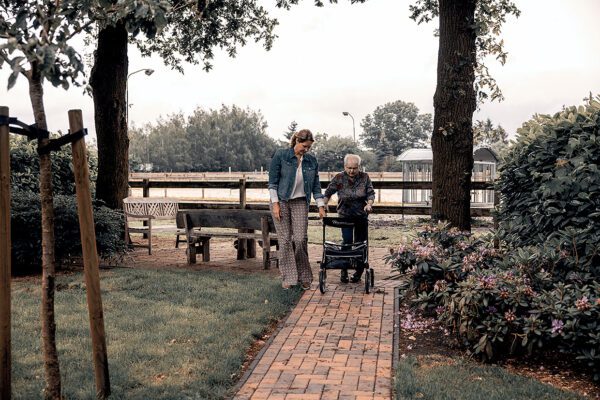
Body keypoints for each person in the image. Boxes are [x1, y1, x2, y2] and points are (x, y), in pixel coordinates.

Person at [268, 129, 326, 290]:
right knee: (285, 239)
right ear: (297, 141)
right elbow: (272, 182)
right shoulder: (281, 155)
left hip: (300, 202)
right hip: (281, 201)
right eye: (304, 146)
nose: (306, 150)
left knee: (300, 239)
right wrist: (275, 204)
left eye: (309, 147)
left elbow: (316, 186)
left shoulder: (311, 161)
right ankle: (289, 278)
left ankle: (304, 275)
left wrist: (321, 206)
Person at [323, 154, 375, 283]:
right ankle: (344, 268)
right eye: (349, 168)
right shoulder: (339, 177)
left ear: (359, 167)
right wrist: (324, 204)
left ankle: (359, 270)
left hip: (360, 215)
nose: (351, 171)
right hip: (345, 215)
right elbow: (328, 192)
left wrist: (369, 204)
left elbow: (370, 193)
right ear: (345, 166)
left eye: (355, 168)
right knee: (347, 241)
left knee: (360, 243)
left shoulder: (365, 177)